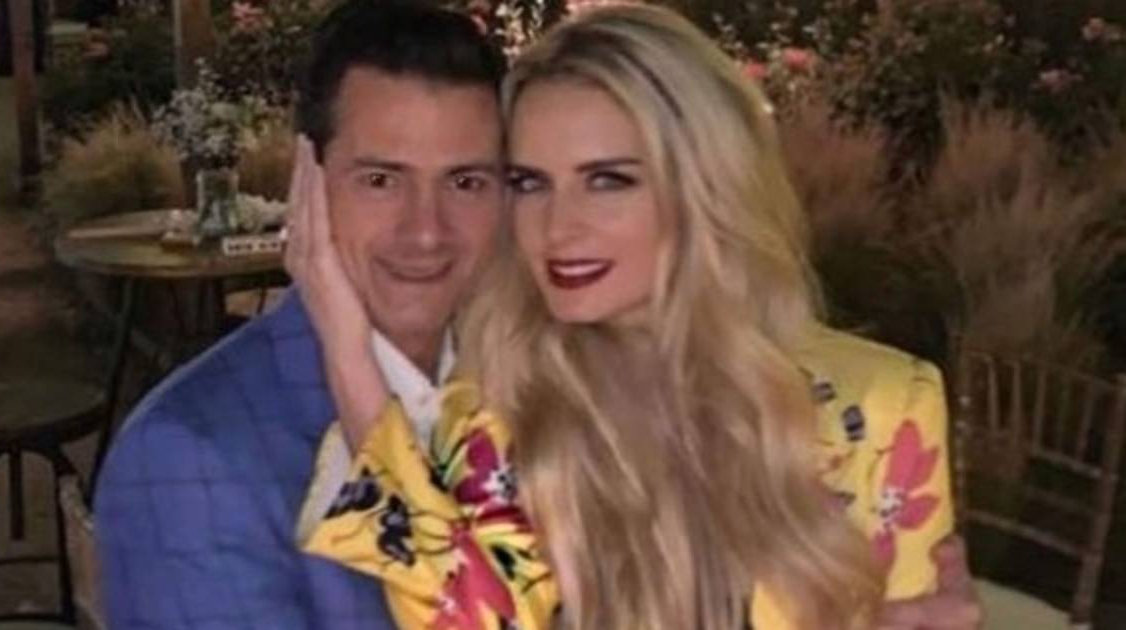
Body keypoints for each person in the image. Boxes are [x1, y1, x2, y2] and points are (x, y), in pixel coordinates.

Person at [289, 4, 982, 630]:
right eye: (530, 183)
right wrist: (349, 354)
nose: (558, 228)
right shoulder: (497, 412)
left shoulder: (884, 408)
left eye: (607, 180)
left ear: (702, 185)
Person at [93, 1, 506, 628]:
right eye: (381, 180)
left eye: (465, 182)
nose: (426, 231)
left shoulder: (533, 394)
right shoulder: (187, 460)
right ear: (307, 185)